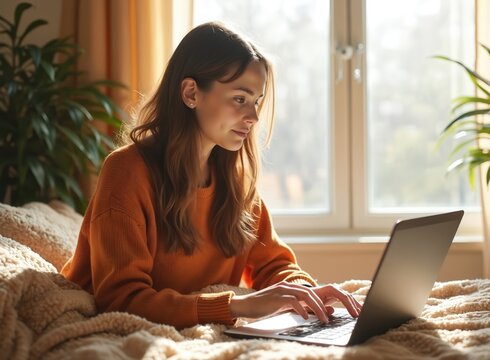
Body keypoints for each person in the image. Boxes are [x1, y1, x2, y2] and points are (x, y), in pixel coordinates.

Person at [60, 21, 362, 329]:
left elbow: (275, 264)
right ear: (191, 93)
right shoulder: (126, 171)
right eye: (240, 99)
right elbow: (121, 298)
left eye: (256, 101)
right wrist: (238, 305)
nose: (254, 117)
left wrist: (305, 291)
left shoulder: (234, 177)